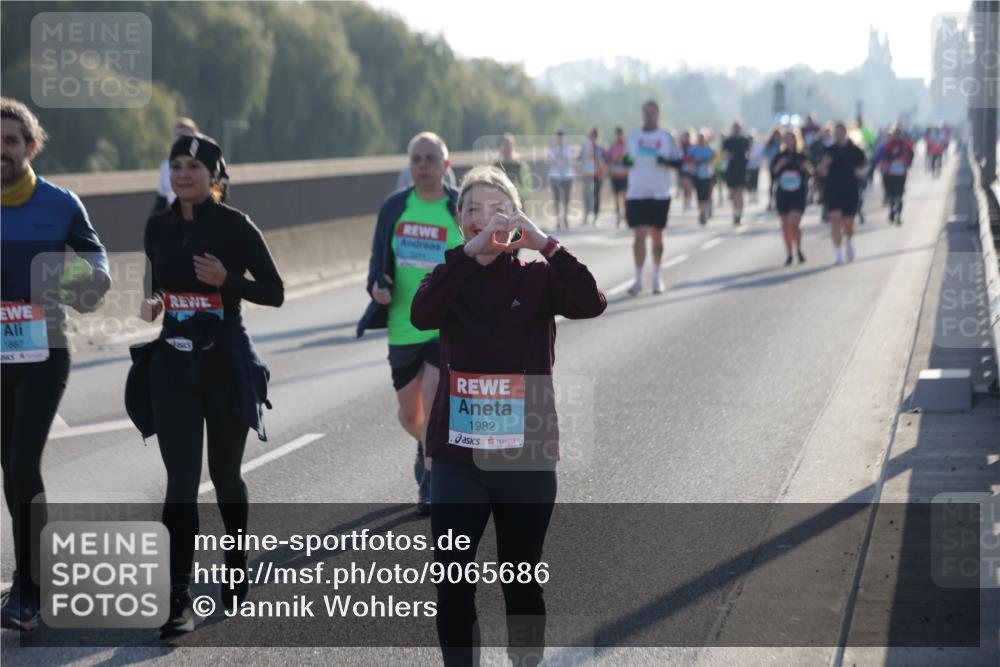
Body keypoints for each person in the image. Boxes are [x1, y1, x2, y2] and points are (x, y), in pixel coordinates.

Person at [410, 165, 607, 667]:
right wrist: (466, 256)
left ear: (515, 217)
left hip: (526, 456)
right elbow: (422, 314)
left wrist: (544, 242)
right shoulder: (448, 276)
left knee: (519, 583)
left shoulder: (538, 277)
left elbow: (591, 302)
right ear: (460, 223)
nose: (483, 217)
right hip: (458, 459)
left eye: (497, 207)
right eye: (471, 209)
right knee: (453, 584)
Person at [125, 133, 283, 638]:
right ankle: (178, 597)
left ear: (214, 176)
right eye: (175, 165)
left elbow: (275, 292)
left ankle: (236, 560)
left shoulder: (235, 227)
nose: (183, 174)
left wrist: (227, 281)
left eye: (194, 166)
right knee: (181, 482)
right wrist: (154, 304)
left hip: (225, 362)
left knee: (226, 474)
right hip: (173, 365)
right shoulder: (158, 226)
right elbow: (158, 283)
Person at [0, 97, 111, 632]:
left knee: (24, 462)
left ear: (30, 147)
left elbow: (98, 265)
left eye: (10, 142)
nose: (1, 152)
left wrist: (66, 285)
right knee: (9, 466)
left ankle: (33, 587)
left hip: (44, 349)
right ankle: (29, 577)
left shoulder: (59, 202)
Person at [356, 132, 463, 517]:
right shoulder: (394, 207)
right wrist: (377, 286)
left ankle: (431, 483)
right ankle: (426, 446)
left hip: (444, 326)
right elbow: (377, 261)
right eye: (416, 159)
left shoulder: (458, 207)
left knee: (434, 404)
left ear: (445, 165)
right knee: (411, 414)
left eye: (431, 159)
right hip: (402, 324)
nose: (423, 166)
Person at [623, 101, 682, 295]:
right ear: (642, 114)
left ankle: (657, 276)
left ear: (658, 114)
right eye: (646, 112)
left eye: (653, 113)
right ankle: (638, 278)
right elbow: (626, 158)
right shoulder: (633, 136)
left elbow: (678, 162)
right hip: (637, 192)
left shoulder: (667, 137)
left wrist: (666, 161)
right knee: (639, 234)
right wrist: (627, 161)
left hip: (659, 193)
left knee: (657, 235)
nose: (649, 116)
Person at [817, 122, 867, 264]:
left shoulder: (854, 150)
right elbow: (819, 171)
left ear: (845, 133)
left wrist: (860, 172)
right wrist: (824, 164)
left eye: (841, 132)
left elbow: (865, 166)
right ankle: (838, 254)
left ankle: (849, 242)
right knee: (835, 220)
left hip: (850, 189)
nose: (838, 135)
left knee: (848, 223)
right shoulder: (829, 150)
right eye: (836, 132)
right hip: (833, 189)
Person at [770, 128, 812, 265]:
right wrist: (780, 165)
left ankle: (798, 249)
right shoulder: (779, 156)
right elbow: (773, 173)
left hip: (798, 193)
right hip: (783, 194)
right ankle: (789, 253)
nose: (789, 141)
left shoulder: (801, 156)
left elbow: (811, 172)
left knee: (794, 223)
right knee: (786, 226)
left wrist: (806, 168)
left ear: (796, 140)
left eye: (791, 139)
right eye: (786, 139)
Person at [152, 117, 199, 215]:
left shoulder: (205, 165)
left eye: (186, 136)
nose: (181, 140)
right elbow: (162, 199)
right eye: (178, 136)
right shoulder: (165, 167)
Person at [877, 125, 914, 224]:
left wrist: (908, 164)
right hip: (890, 173)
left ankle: (898, 215)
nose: (897, 136)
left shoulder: (906, 145)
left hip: (901, 173)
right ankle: (892, 212)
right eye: (895, 134)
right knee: (892, 195)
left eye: (898, 134)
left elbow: (911, 154)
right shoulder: (889, 145)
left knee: (899, 195)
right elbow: (883, 156)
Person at [722, 121, 750, 225]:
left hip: (741, 169)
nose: (737, 129)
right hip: (731, 169)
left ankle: (739, 214)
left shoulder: (744, 140)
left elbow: (748, 152)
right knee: (733, 194)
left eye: (738, 127)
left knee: (739, 192)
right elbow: (724, 153)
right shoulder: (728, 141)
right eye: (735, 127)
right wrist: (728, 155)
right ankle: (735, 211)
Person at [493, 133, 531, 207]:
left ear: (514, 147)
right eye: (503, 146)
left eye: (508, 145)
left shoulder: (521, 166)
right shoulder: (495, 167)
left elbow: (528, 195)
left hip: (518, 210)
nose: (506, 148)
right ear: (498, 148)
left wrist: (516, 186)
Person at [547, 130, 574, 229]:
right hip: (555, 176)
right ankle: (558, 220)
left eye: (562, 138)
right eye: (559, 138)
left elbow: (570, 160)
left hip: (567, 176)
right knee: (557, 199)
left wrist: (561, 158)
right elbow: (550, 161)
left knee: (567, 198)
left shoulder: (569, 148)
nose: (560, 140)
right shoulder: (552, 149)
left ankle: (565, 217)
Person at [579, 127, 605, 226]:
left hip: (597, 175)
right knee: (586, 195)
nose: (593, 139)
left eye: (595, 137)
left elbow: (603, 162)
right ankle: (586, 216)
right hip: (587, 174)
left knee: (596, 196)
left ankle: (596, 216)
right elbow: (579, 159)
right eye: (591, 136)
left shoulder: (600, 148)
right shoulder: (585, 148)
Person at [688, 130, 716, 225]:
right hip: (697, 175)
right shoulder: (693, 149)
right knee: (699, 195)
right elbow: (688, 160)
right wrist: (696, 161)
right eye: (699, 139)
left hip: (707, 175)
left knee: (706, 194)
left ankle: (704, 212)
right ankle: (702, 211)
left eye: (702, 139)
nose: (701, 141)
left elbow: (715, 160)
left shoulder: (709, 149)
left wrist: (709, 162)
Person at [606, 127, 629, 226]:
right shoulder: (613, 146)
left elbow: (631, 159)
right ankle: (618, 217)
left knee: (625, 198)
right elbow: (608, 158)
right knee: (616, 198)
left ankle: (627, 217)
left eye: (620, 134)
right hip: (615, 174)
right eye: (618, 134)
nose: (619, 136)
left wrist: (624, 160)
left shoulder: (627, 145)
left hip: (624, 174)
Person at [762, 127, 783, 211]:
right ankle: (770, 202)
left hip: (781, 167)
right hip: (772, 166)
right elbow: (766, 153)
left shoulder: (782, 143)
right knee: (771, 185)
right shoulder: (770, 144)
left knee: (780, 185)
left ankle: (778, 202)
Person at [678, 129, 695, 211]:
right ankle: (685, 203)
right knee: (685, 187)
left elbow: (694, 157)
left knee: (689, 186)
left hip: (690, 169)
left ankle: (689, 202)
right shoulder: (680, 146)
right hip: (683, 169)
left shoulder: (692, 146)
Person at [745, 130, 764, 205]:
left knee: (755, 181)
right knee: (749, 182)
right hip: (748, 167)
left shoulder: (758, 146)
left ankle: (755, 196)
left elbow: (760, 155)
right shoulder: (746, 147)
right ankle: (750, 196)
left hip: (755, 166)